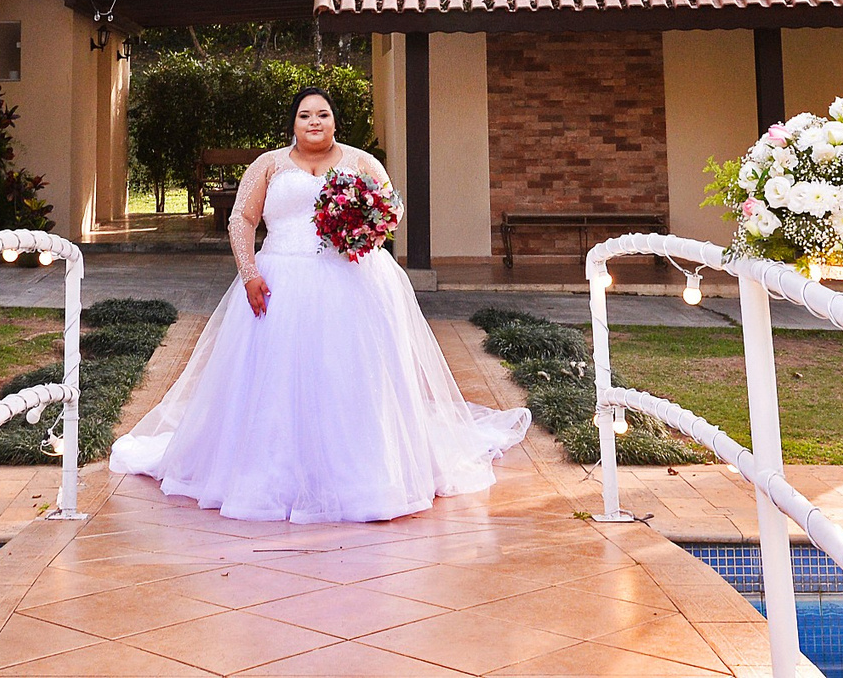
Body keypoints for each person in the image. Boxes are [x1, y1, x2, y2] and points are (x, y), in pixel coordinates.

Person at [109, 87, 530, 522]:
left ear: (335, 122)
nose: (315, 122)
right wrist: (249, 273)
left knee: (349, 374)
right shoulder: (269, 165)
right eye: (305, 115)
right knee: (277, 377)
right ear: (293, 123)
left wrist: (363, 232)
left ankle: (361, 473)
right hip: (279, 283)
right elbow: (242, 219)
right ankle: (271, 473)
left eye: (323, 115)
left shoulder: (361, 162)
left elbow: (389, 212)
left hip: (351, 281)